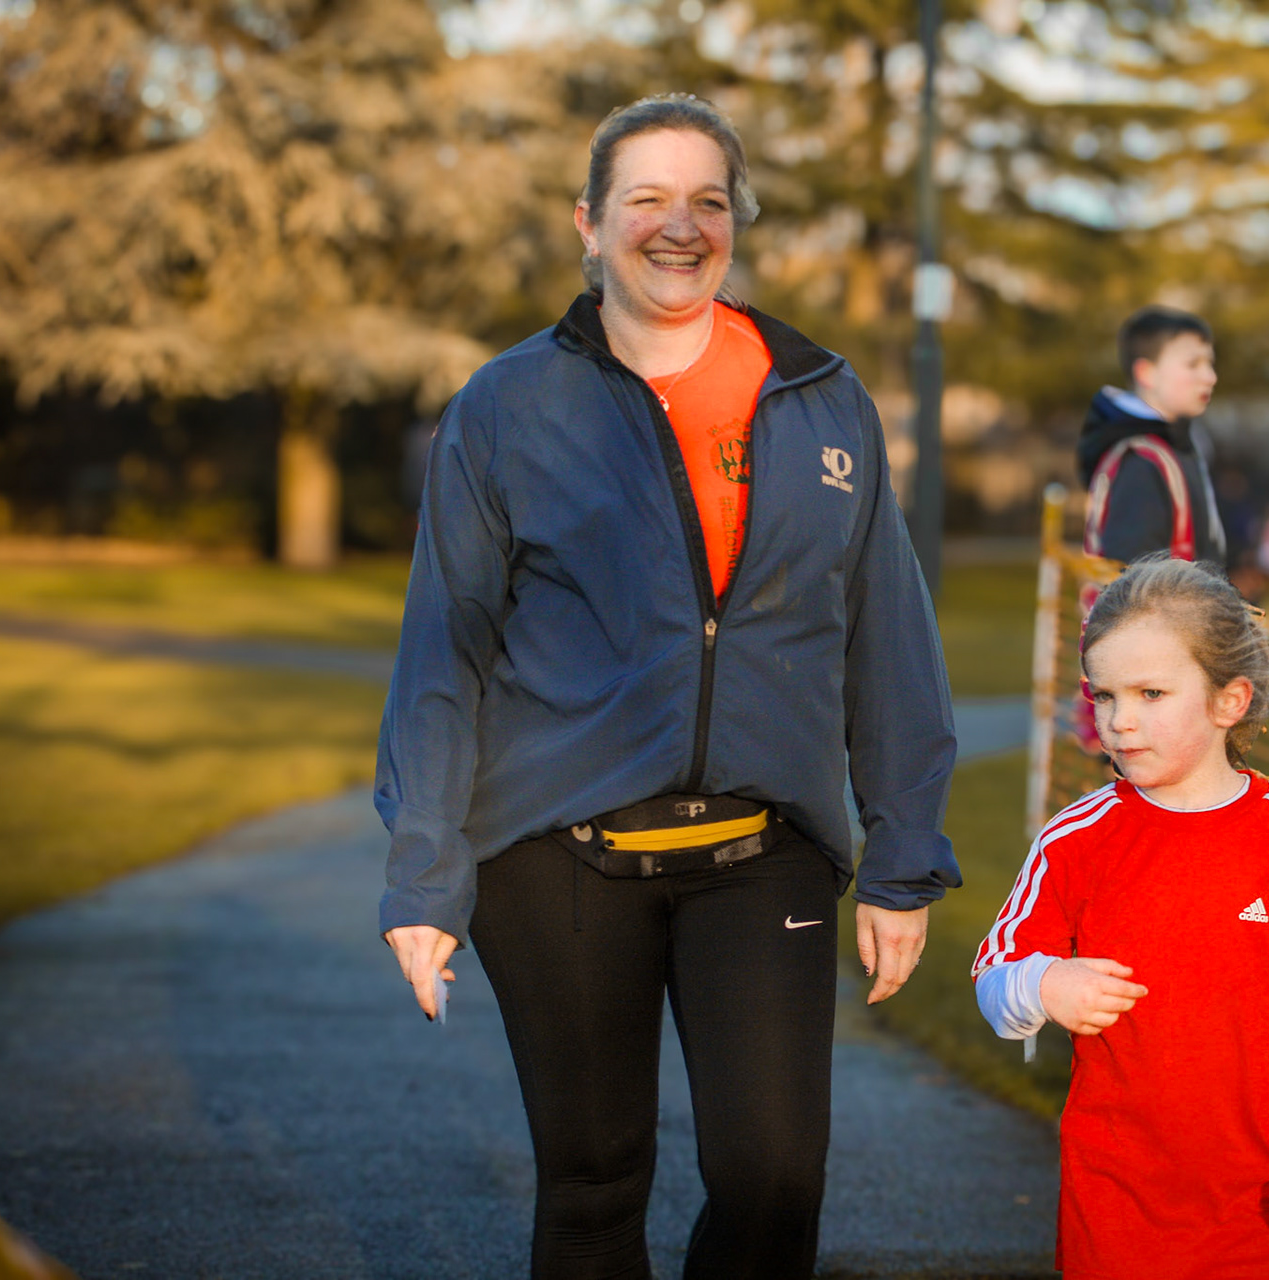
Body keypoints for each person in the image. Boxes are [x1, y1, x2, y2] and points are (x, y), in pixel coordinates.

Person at [375, 94, 958, 1280]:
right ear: (589, 224)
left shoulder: (823, 396)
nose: (677, 225)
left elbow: (887, 634)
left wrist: (903, 850)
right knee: (593, 1187)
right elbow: (446, 649)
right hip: (558, 857)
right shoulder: (505, 408)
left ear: (736, 221)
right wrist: (426, 870)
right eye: (646, 200)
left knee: (776, 1179)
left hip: (764, 848)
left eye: (707, 200)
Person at [971, 557, 1269, 1278]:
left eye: (1151, 693)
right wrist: (1042, 986)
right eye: (1105, 695)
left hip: (1263, 1210)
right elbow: (995, 984)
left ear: (1231, 701)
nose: (1121, 721)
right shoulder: (1076, 839)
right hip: (1117, 1208)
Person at [1076, 306, 1227, 566]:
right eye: (1193, 364)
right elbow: (1135, 582)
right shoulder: (1141, 462)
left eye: (1210, 363)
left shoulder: (1180, 446)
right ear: (1146, 373)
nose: (1210, 377)